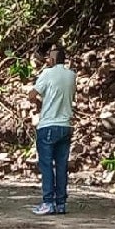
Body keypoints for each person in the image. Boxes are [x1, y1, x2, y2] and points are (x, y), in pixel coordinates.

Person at [28, 46, 77, 215]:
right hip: (66, 125)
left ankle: (48, 202)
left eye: (49, 58)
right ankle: (61, 203)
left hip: (49, 124)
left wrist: (39, 102)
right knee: (62, 165)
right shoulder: (71, 75)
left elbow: (32, 94)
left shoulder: (47, 73)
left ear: (53, 59)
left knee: (47, 165)